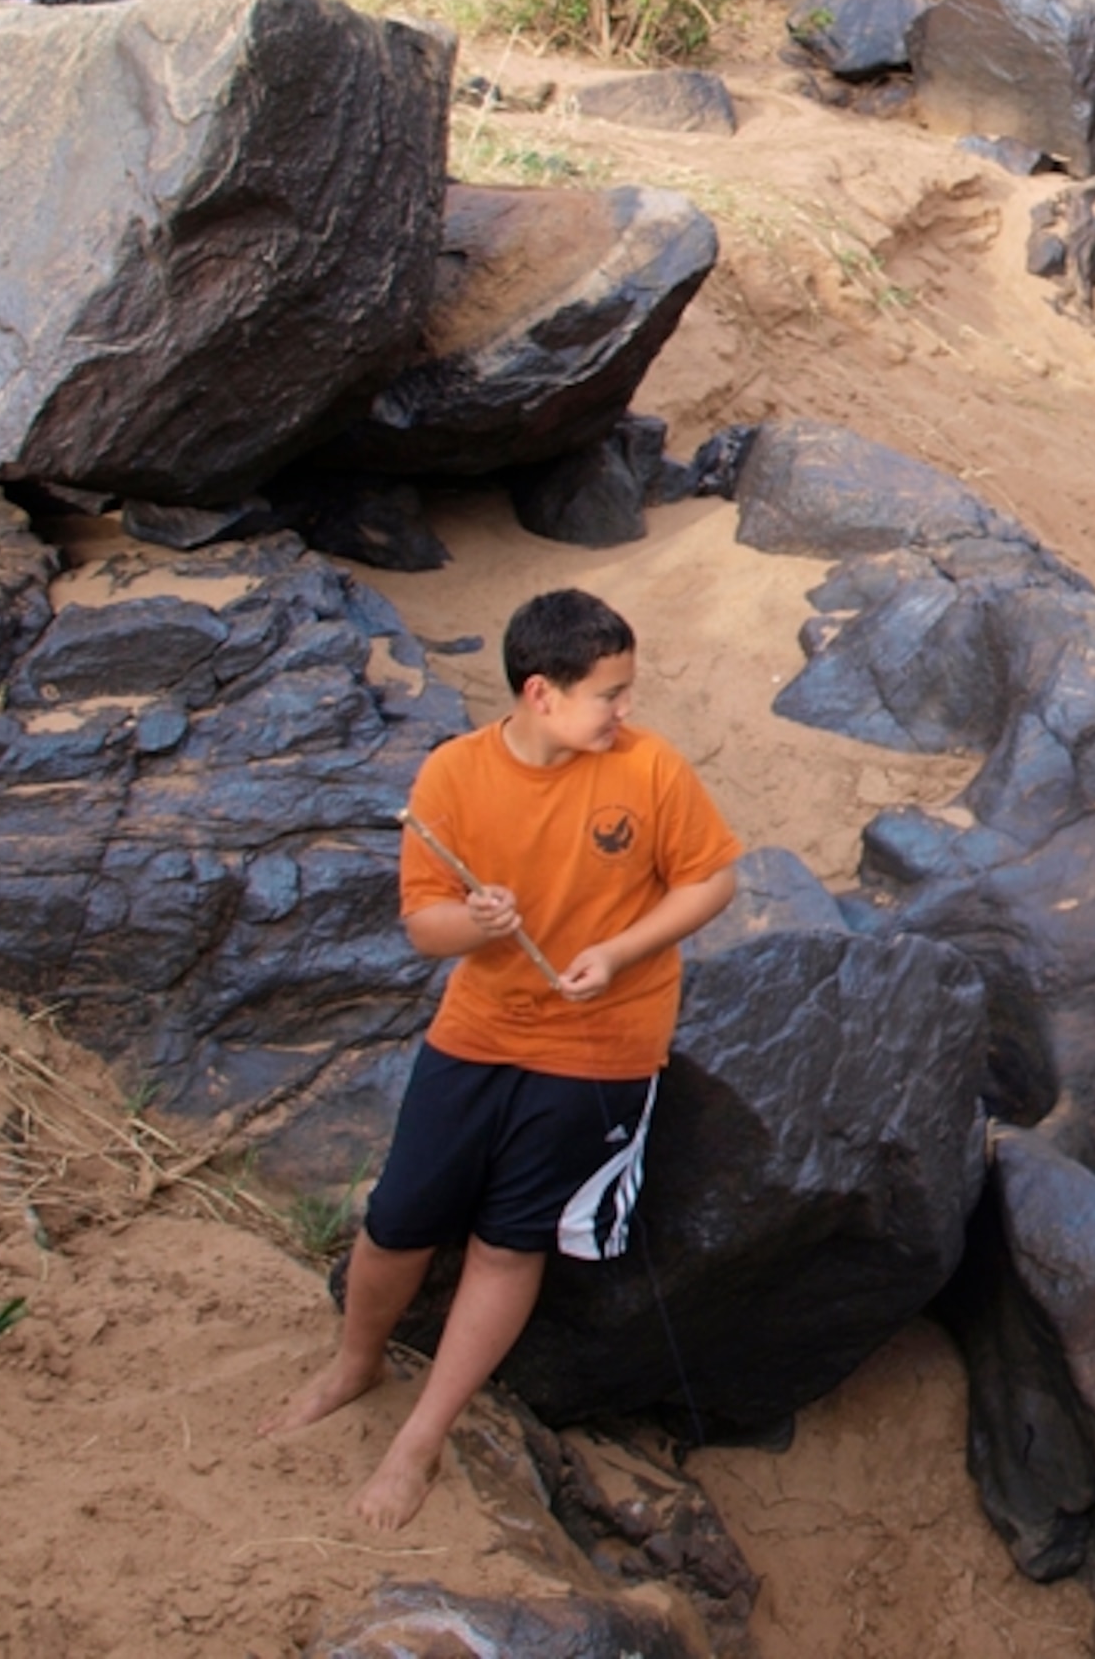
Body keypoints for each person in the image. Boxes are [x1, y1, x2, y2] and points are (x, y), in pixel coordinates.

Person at [260, 588, 741, 1531]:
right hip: (477, 1032)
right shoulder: (454, 778)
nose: (625, 711)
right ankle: (356, 1364)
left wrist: (620, 951)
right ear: (540, 694)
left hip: (600, 1046)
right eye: (610, 694)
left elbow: (711, 879)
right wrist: (471, 922)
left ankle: (421, 1439)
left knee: (509, 1241)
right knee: (399, 1217)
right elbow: (423, 926)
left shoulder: (650, 770)